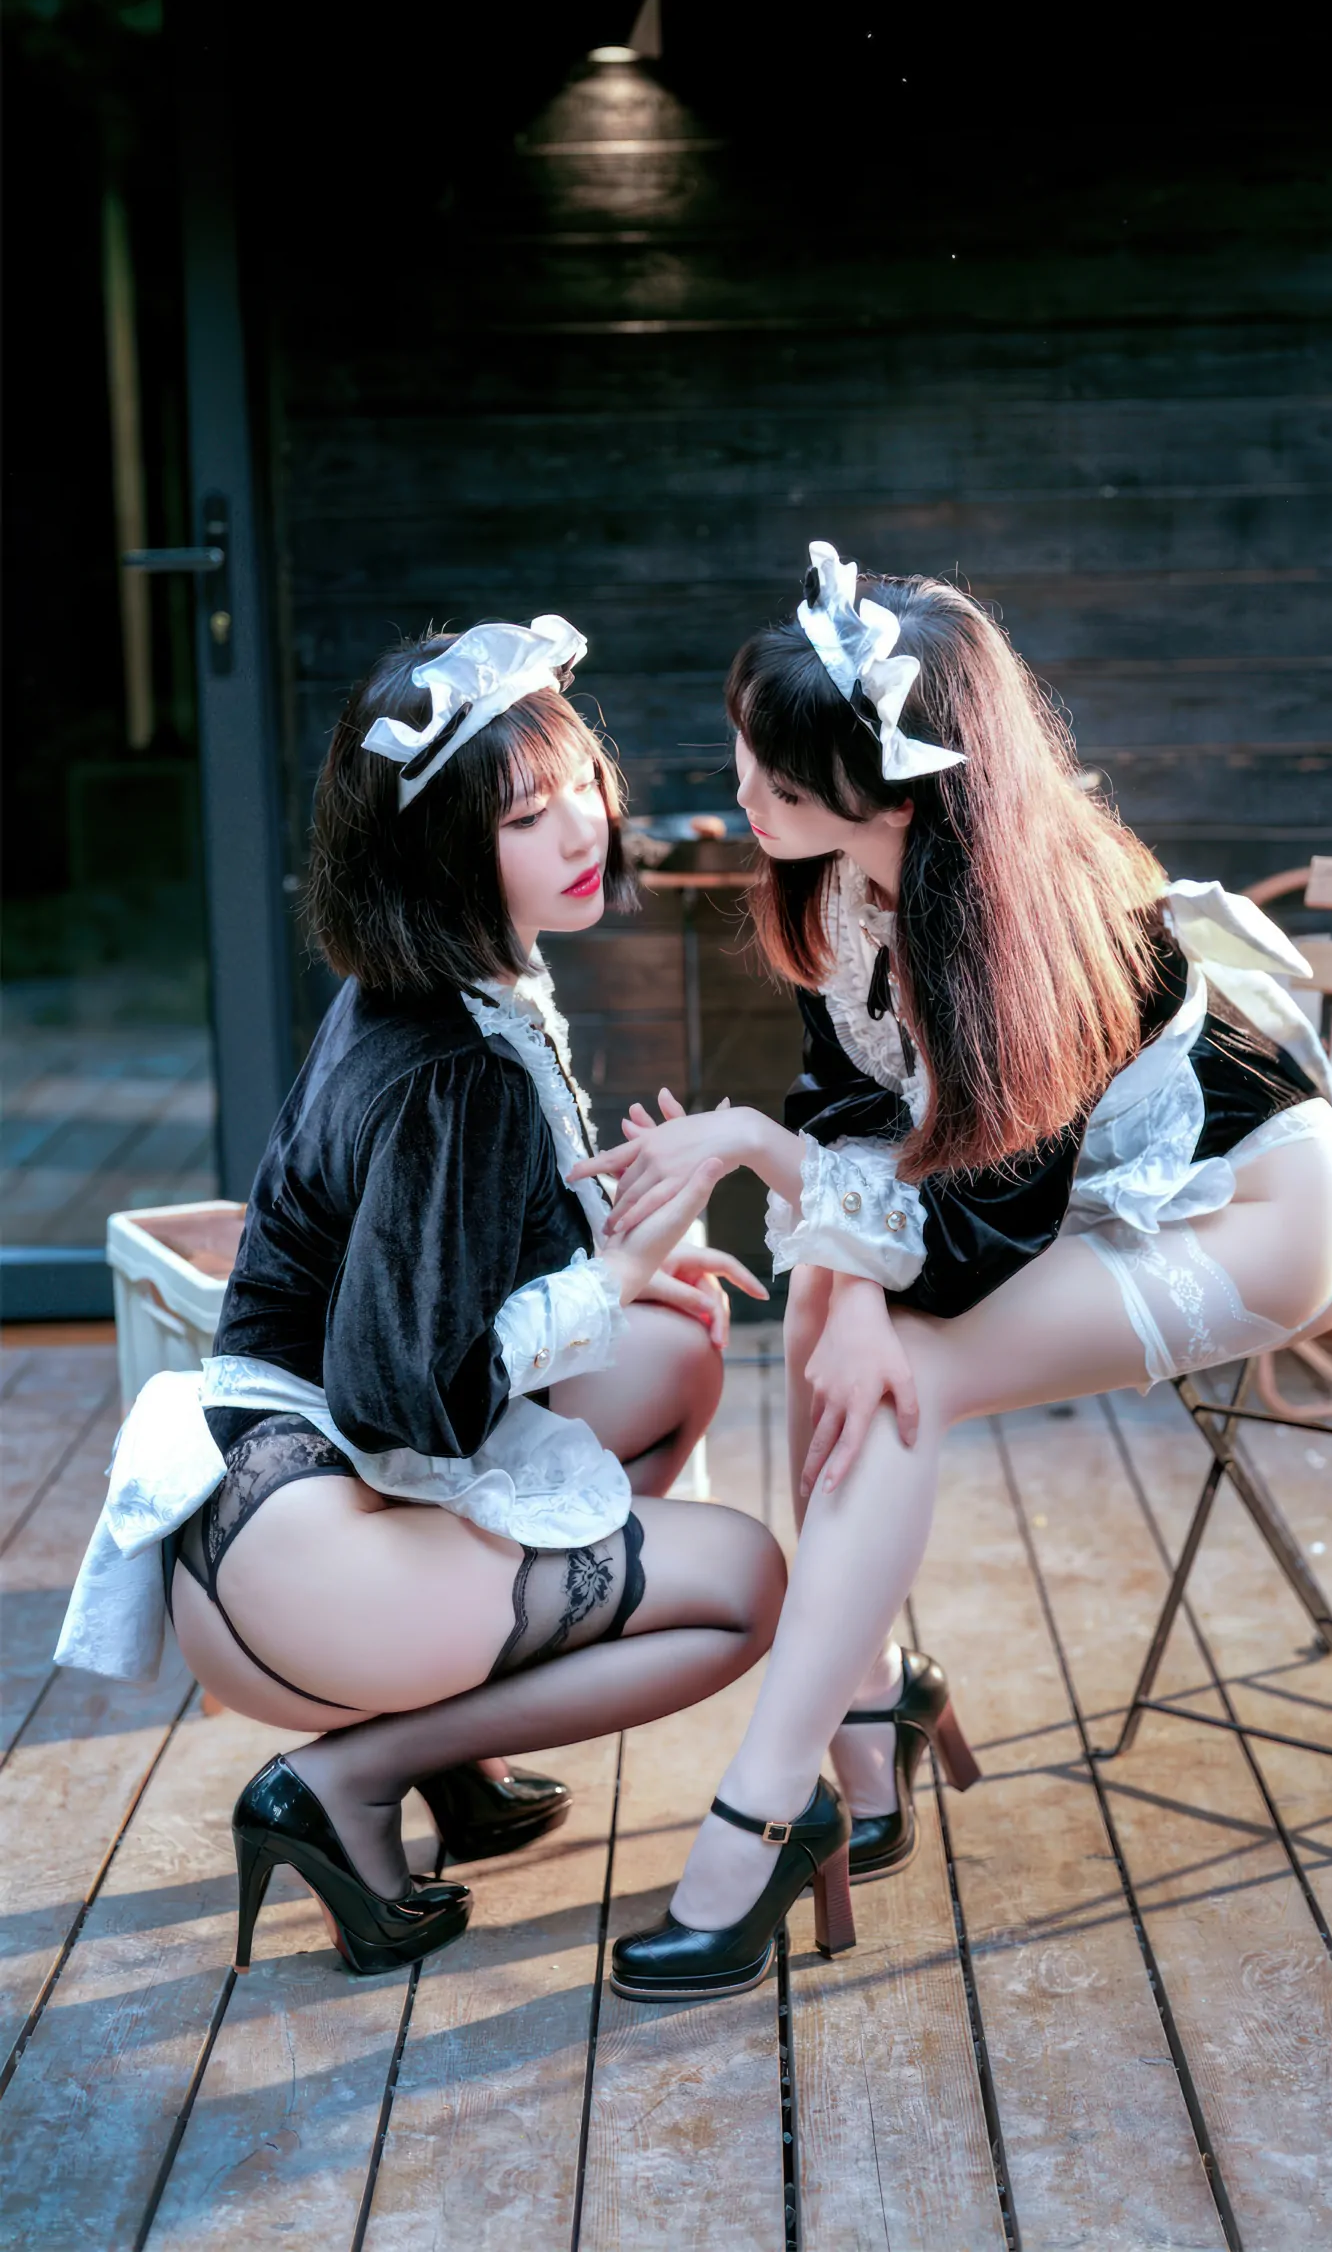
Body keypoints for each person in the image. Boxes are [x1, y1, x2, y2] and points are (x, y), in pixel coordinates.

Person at [573, 545, 1332, 2001]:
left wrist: (750, 1148)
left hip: (1257, 1213)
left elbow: (965, 1242)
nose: (744, 796)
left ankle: (765, 1815)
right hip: (1046, 1200)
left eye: (777, 781)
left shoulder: (1035, 924)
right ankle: (867, 1706)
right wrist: (834, 1267)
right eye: (747, 754)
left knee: (903, 1375)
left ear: (895, 797)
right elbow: (855, 1108)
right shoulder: (849, 879)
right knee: (832, 1312)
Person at [56, 618, 793, 1980]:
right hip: (302, 1560)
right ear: (441, 850)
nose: (582, 828)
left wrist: (622, 1262)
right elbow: (403, 1394)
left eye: (579, 784)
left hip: (281, 1495)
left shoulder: (440, 981)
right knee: (748, 1586)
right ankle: (348, 1779)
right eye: (524, 815)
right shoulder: (451, 1063)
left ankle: (458, 1757)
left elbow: (437, 1252)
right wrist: (617, 1270)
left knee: (676, 1351)